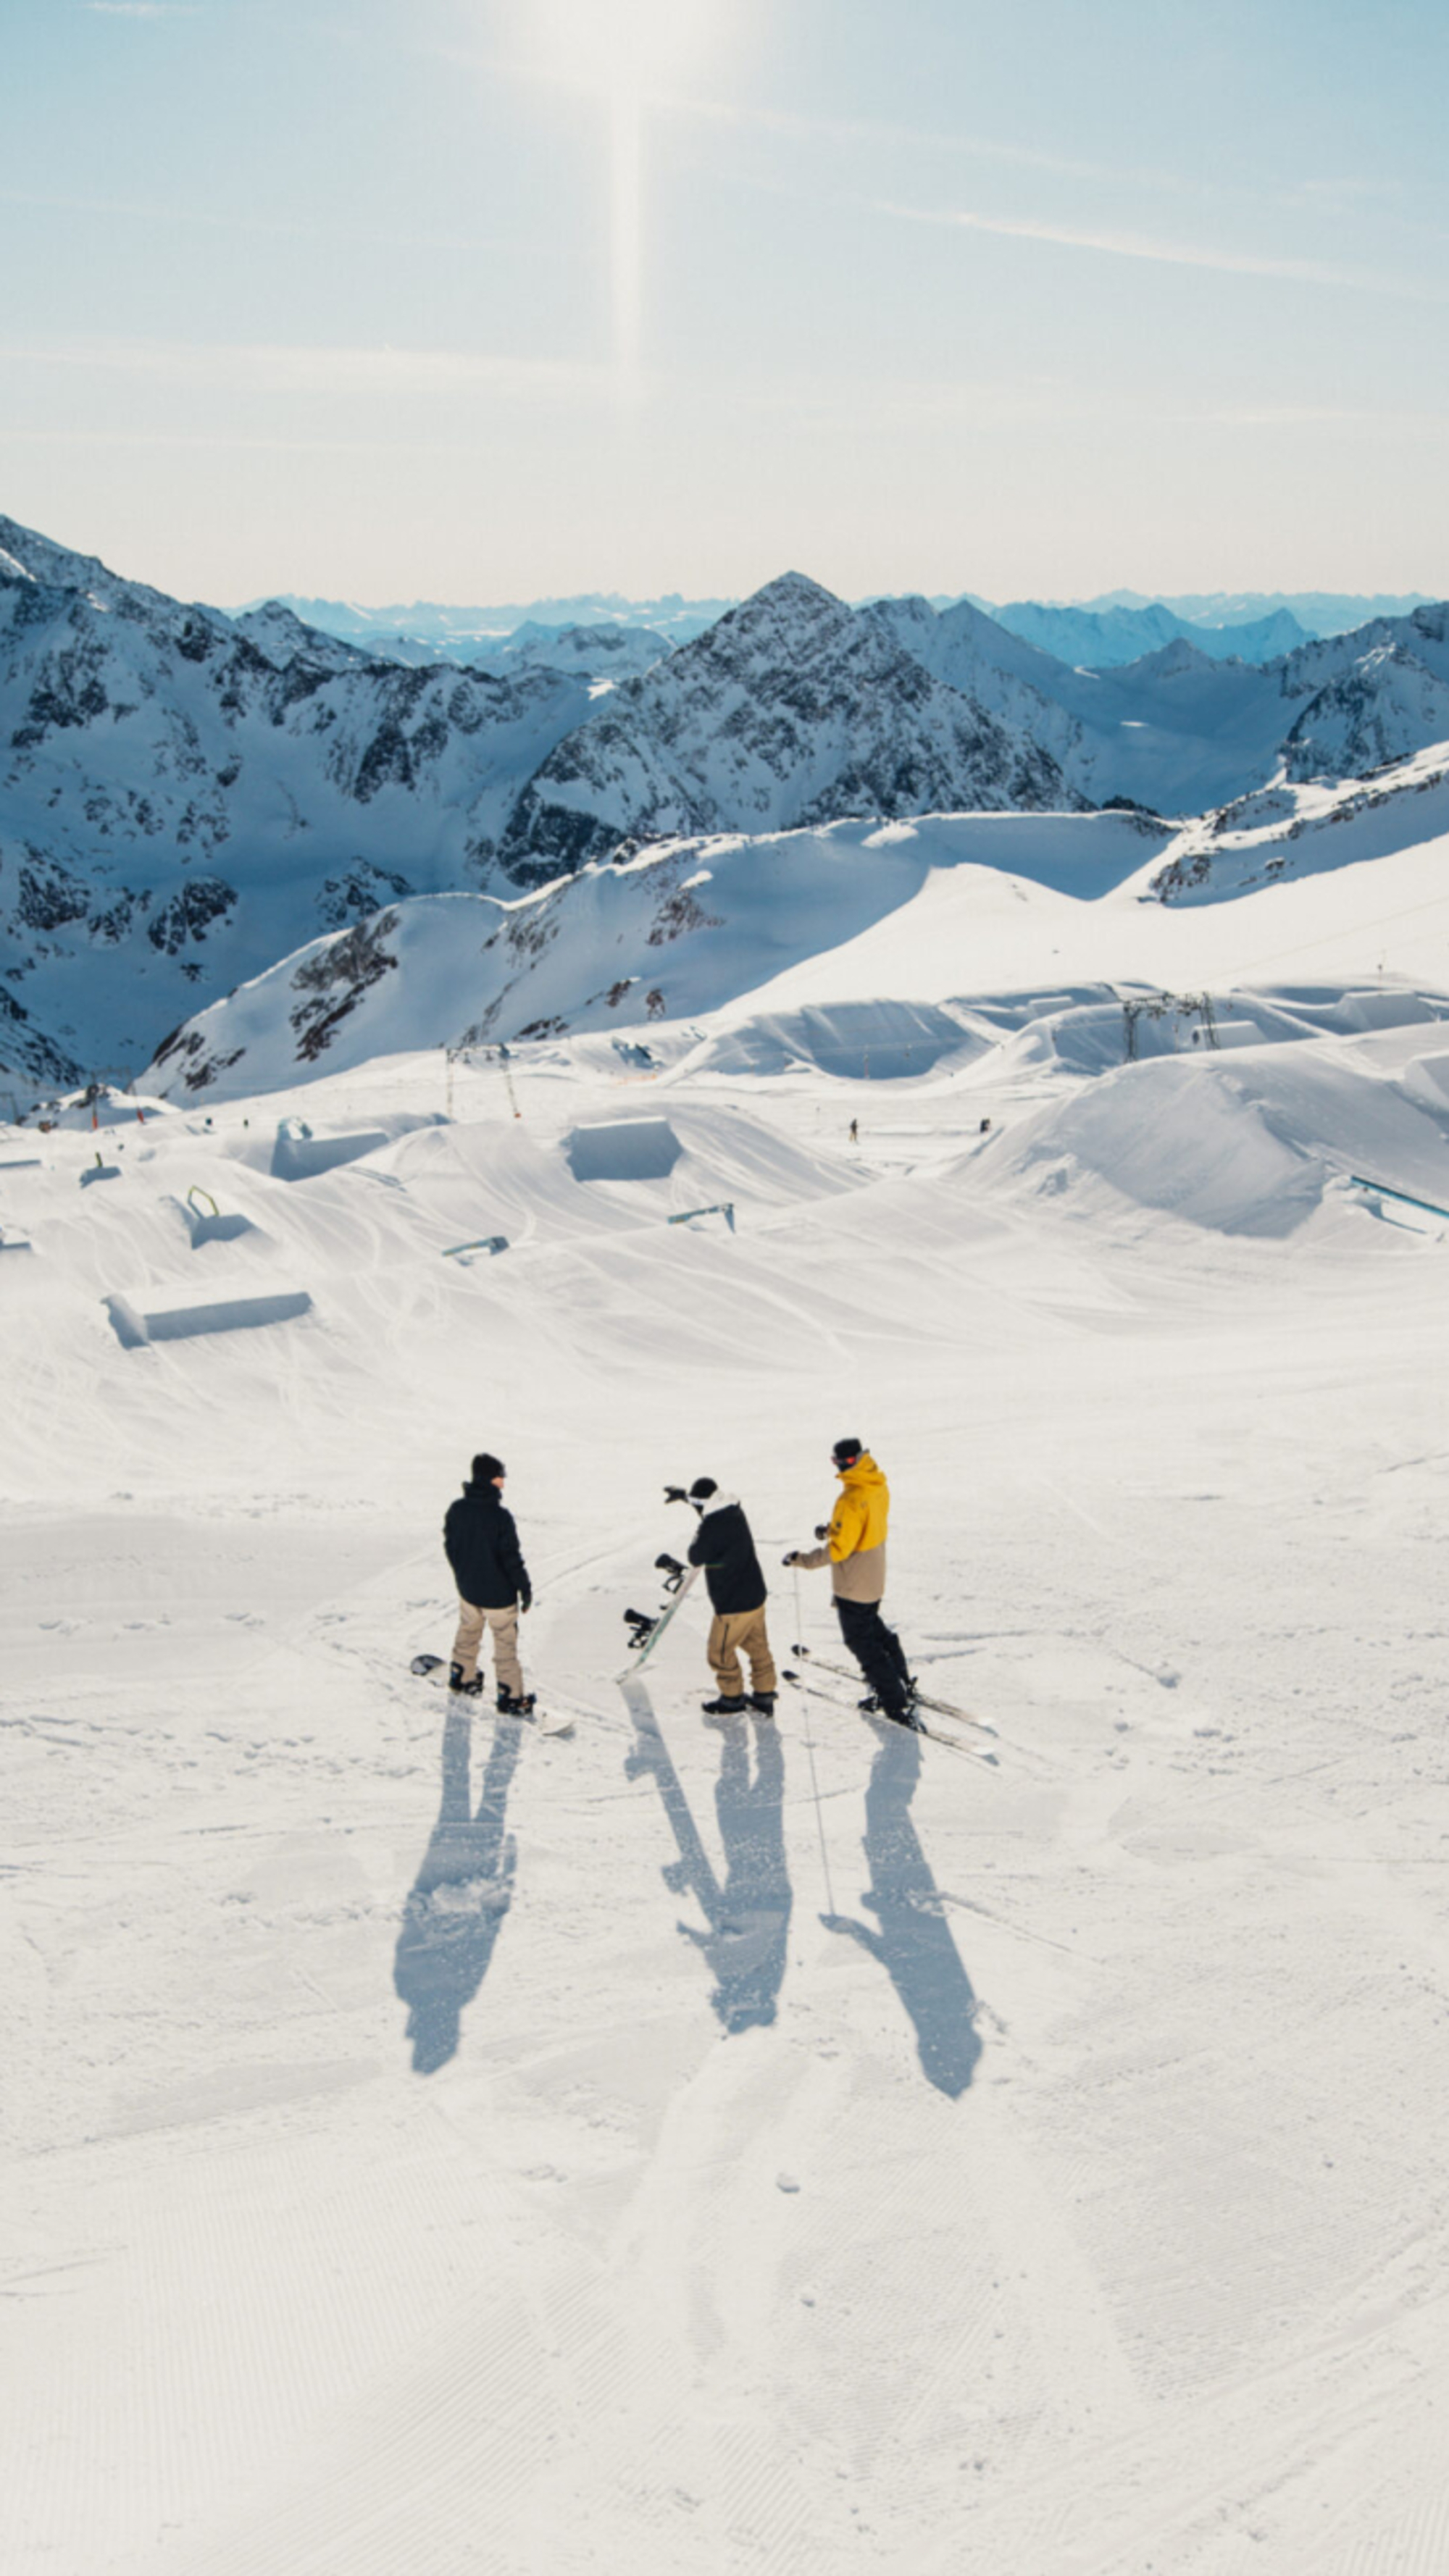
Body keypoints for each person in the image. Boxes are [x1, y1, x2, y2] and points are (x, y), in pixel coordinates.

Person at [785, 1435, 917, 1728]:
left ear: (853, 1460)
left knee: (861, 1643)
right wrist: (832, 1529)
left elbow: (839, 1550)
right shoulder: (877, 1484)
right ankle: (902, 1680)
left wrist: (802, 1560)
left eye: (843, 1462)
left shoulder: (849, 1498)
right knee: (875, 1631)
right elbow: (860, 1526)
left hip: (854, 1585)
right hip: (874, 1576)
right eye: (837, 1462)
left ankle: (893, 1699)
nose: (841, 1468)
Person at [443, 1452, 535, 1712]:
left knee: (468, 1632)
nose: (503, 1484)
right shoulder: (499, 1517)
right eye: (499, 1478)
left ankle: (462, 1678)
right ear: (486, 1479)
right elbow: (511, 1559)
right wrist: (525, 1589)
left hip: (469, 1592)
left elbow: (451, 1548)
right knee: (505, 1644)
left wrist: (463, 1576)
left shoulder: (456, 1510)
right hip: (499, 1598)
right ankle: (511, 1696)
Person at [680, 1477, 778, 1717]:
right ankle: (764, 1696)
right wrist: (685, 1496)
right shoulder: (734, 1510)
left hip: (734, 1605)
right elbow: (708, 1508)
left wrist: (701, 1526)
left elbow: (695, 1556)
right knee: (758, 1646)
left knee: (720, 1652)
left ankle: (732, 1699)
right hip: (755, 1596)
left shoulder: (712, 1525)